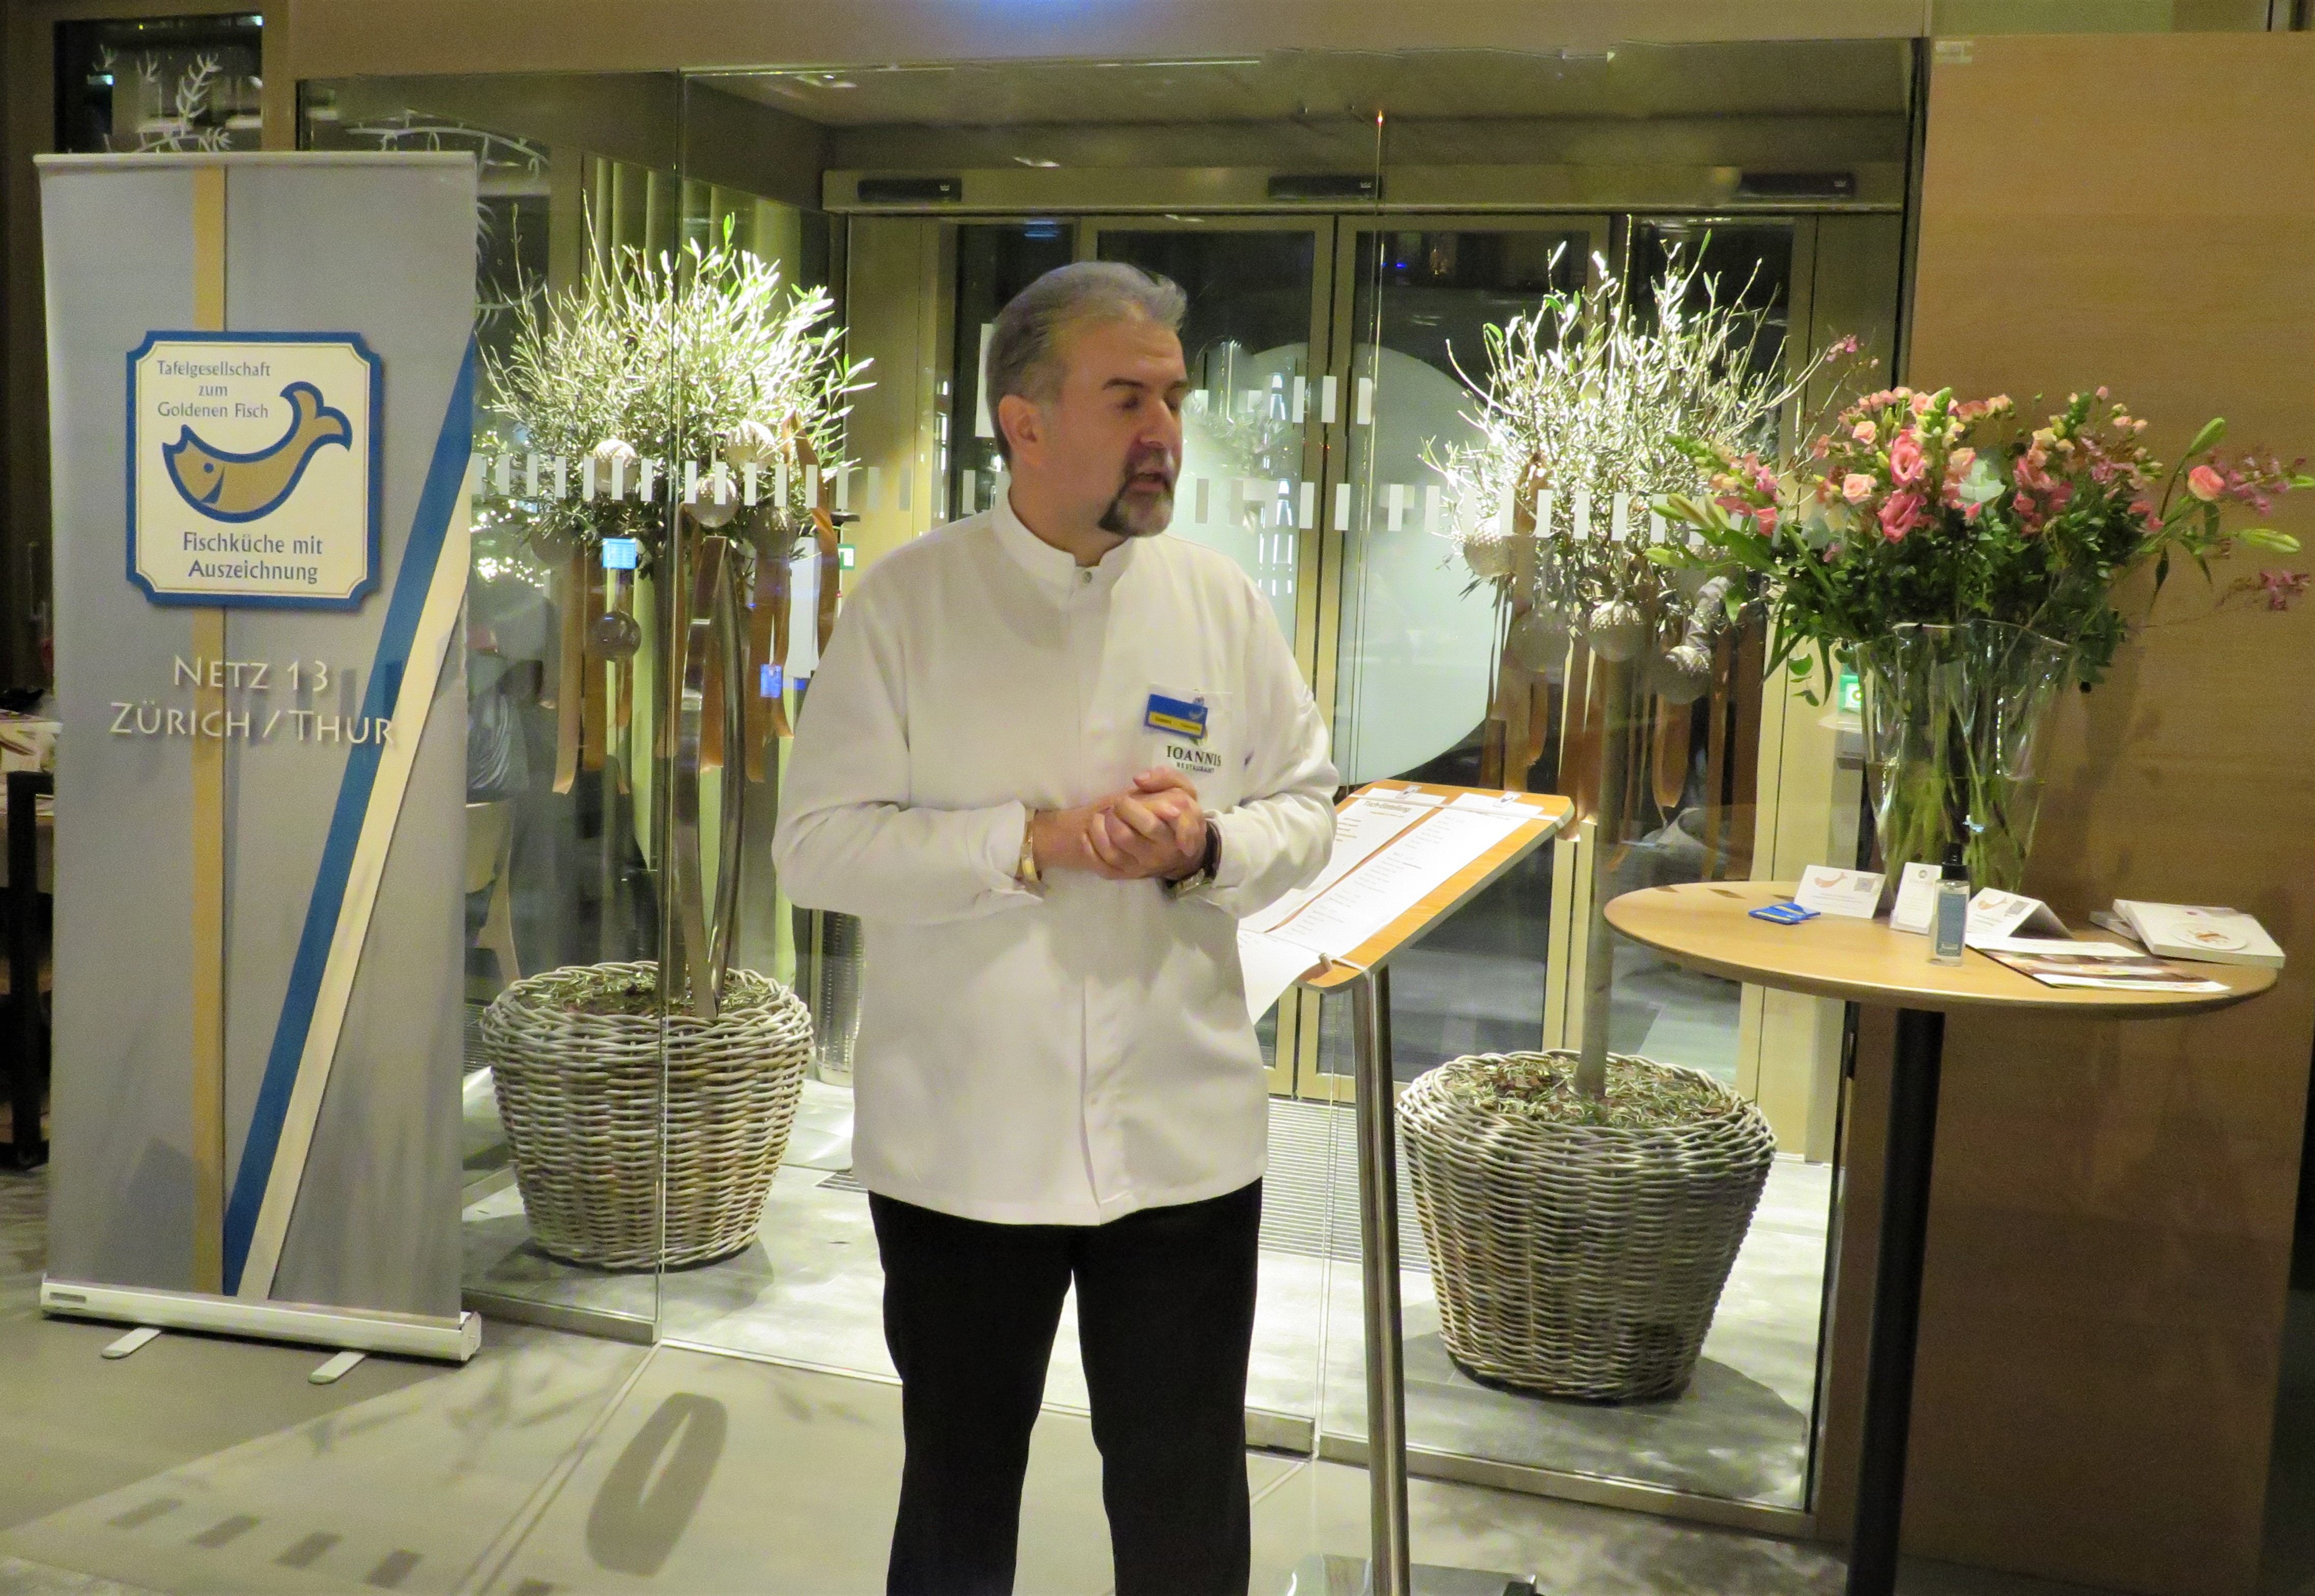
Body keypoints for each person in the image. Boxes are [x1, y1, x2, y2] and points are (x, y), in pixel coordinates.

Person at [771, 261, 1337, 1596]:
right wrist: (1031, 841)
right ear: (1023, 423)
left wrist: (1207, 846)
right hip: (965, 1150)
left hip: (1182, 1148)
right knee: (959, 1495)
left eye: (1175, 399)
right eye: (1127, 398)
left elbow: (1309, 807)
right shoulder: (909, 604)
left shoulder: (1218, 602)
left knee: (1185, 1501)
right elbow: (815, 846)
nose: (1165, 432)